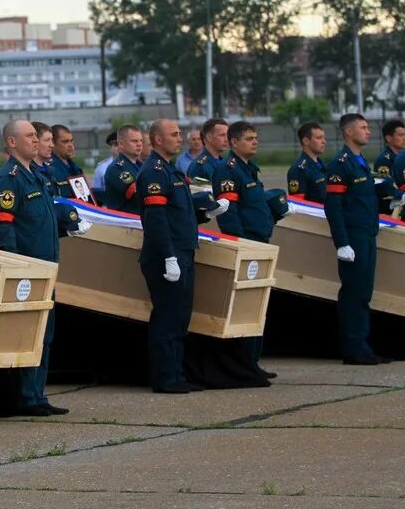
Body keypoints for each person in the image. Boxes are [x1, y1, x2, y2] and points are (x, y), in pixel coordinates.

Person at [0, 120, 85, 415]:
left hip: (46, 267)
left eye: (36, 135)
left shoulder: (38, 175)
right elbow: (4, 229)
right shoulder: (9, 178)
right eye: (29, 136)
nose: (35, 140)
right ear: (11, 142)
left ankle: (36, 394)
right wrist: (17, 266)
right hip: (27, 270)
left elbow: (39, 222)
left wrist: (65, 229)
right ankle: (25, 397)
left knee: (45, 334)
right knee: (27, 334)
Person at [212, 121, 290, 376]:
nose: (255, 142)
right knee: (244, 306)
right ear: (234, 142)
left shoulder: (250, 169)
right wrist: (240, 244)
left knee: (258, 305)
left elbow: (255, 205)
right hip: (247, 244)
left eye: (256, 138)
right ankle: (243, 363)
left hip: (260, 241)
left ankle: (253, 361)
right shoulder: (228, 170)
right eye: (249, 138)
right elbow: (229, 214)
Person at [326, 114, 397, 365]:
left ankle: (363, 346)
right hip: (353, 236)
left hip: (367, 233)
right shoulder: (341, 164)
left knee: (364, 292)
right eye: (363, 128)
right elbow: (333, 206)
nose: (368, 132)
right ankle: (353, 349)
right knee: (354, 293)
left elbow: (364, 196)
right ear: (348, 132)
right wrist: (341, 242)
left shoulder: (360, 161)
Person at [136, 119, 201, 394]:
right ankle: (165, 377)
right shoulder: (153, 172)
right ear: (158, 140)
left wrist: (204, 213)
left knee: (180, 317)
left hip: (182, 251)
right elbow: (156, 219)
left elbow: (177, 213)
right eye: (174, 134)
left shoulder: (171, 171)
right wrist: (168, 257)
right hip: (167, 255)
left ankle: (176, 373)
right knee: (167, 317)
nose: (181, 138)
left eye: (180, 133)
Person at [103, 124, 144, 214]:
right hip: (125, 223)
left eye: (141, 141)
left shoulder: (141, 165)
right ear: (121, 144)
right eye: (134, 141)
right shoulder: (116, 169)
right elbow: (138, 194)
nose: (139, 144)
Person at [287, 122, 328, 203]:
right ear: (306, 141)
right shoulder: (298, 170)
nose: (324, 141)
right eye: (319, 138)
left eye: (324, 137)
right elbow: (298, 204)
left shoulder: (322, 165)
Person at [372, 120, 405, 215]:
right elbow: (389, 189)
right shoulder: (384, 160)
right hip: (389, 207)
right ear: (389, 138)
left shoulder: (402, 158)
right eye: (400, 135)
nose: (404, 138)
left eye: (404, 135)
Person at [48, 124, 84, 199]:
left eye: (71, 141)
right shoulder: (50, 170)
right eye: (65, 142)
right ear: (53, 143)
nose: (70, 145)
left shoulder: (75, 168)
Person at [188, 118, 229, 183]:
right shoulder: (199, 167)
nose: (226, 139)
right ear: (209, 137)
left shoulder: (224, 162)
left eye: (227, 135)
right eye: (222, 135)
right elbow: (198, 192)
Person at [91, 131, 119, 199]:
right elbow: (96, 192)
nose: (119, 148)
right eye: (116, 145)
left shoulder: (133, 164)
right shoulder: (102, 167)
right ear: (110, 147)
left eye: (121, 144)